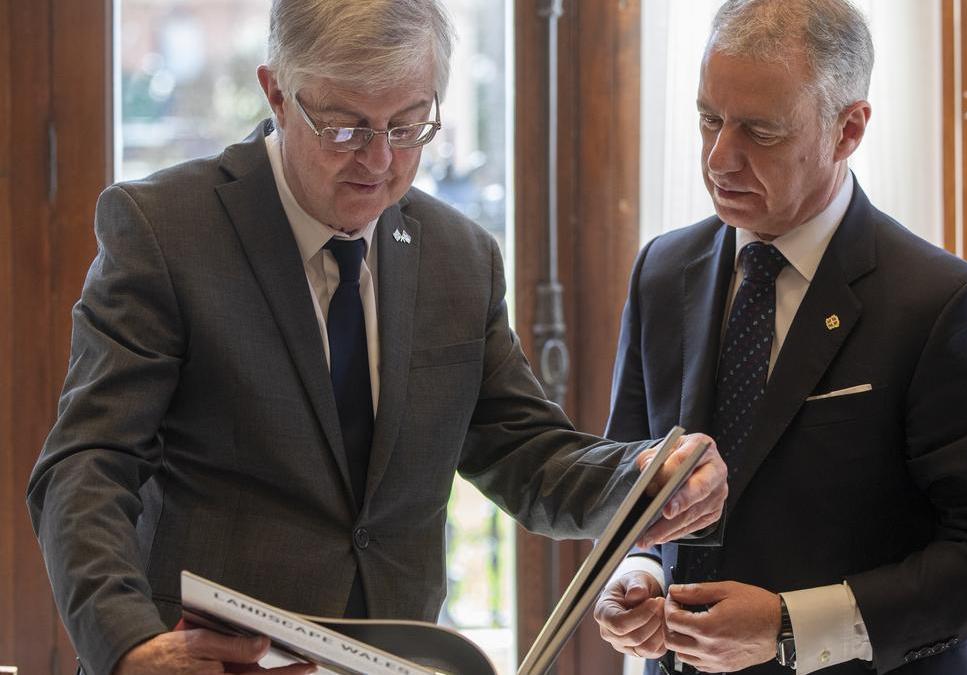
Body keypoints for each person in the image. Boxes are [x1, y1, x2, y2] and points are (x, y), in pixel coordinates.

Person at [25, 2, 728, 674]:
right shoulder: (165, 231)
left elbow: (528, 455)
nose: (379, 161)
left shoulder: (459, 256)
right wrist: (124, 646)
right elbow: (85, 465)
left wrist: (641, 483)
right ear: (276, 92)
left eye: (408, 127)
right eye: (344, 127)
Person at [594, 1, 967, 673]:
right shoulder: (661, 271)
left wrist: (789, 626)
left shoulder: (940, 303)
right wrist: (636, 572)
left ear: (849, 129)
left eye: (760, 131)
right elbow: (629, 482)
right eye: (708, 119)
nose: (720, 157)